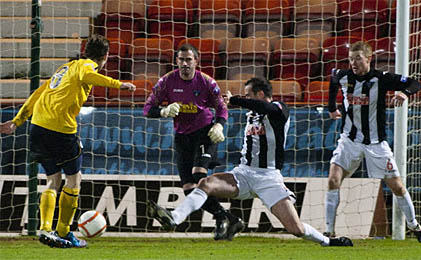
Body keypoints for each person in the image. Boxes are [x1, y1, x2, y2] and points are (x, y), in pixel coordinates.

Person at [147, 77, 354, 246]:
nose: (246, 99)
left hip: (269, 178)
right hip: (244, 174)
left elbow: (269, 109)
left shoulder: (279, 109)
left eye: (249, 94)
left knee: (296, 229)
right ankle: (175, 217)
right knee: (205, 183)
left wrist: (237, 99)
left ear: (260, 94)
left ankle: (328, 241)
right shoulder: (252, 115)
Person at [0, 34, 136, 248]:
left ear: (85, 50)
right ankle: (64, 232)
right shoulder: (86, 66)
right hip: (60, 129)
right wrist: (119, 85)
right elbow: (91, 76)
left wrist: (17, 121)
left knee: (53, 180)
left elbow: (37, 94)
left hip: (38, 126)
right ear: (106, 56)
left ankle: (46, 229)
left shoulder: (64, 69)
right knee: (74, 180)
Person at [324, 41, 421, 243]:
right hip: (349, 140)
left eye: (358, 58)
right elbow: (333, 79)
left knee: (397, 187)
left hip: (376, 144)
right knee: (333, 180)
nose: (353, 63)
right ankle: (329, 232)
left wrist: (403, 92)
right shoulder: (342, 75)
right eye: (351, 59)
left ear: (368, 59)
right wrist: (331, 107)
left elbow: (415, 83)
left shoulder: (381, 78)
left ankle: (414, 225)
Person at [143, 44, 243, 240]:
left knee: (199, 178)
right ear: (176, 62)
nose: (185, 64)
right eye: (181, 59)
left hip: (205, 134)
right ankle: (227, 218)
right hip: (182, 138)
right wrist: (162, 111)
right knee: (189, 188)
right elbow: (147, 109)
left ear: (196, 62)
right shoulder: (167, 82)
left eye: (189, 60)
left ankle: (223, 219)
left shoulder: (206, 82)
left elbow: (221, 108)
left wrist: (219, 125)